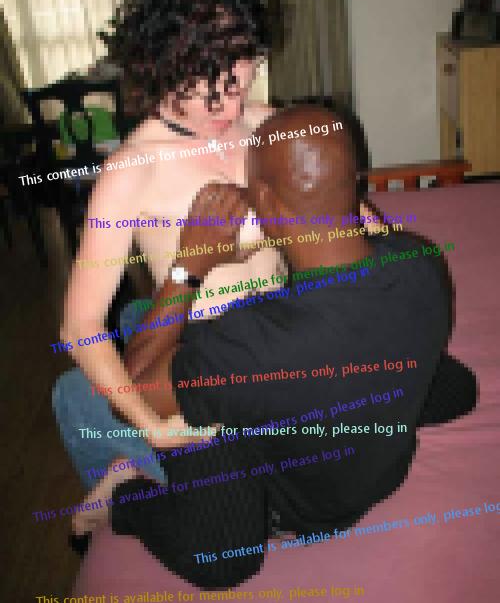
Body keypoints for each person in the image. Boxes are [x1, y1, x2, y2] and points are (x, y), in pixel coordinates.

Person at [62, 104, 475, 589]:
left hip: (284, 483)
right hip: (352, 422)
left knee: (223, 562)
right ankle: (148, 323)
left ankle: (120, 498)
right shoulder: (421, 260)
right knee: (454, 387)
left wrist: (188, 268)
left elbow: (135, 390)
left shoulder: (247, 347)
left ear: (265, 206)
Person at [52, 0, 283, 532]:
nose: (229, 110)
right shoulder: (133, 168)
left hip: (280, 336)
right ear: (159, 70)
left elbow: (343, 216)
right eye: (205, 94)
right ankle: (126, 469)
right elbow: (79, 327)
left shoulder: (267, 124)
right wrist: (150, 426)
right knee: (232, 530)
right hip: (201, 360)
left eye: (239, 82)